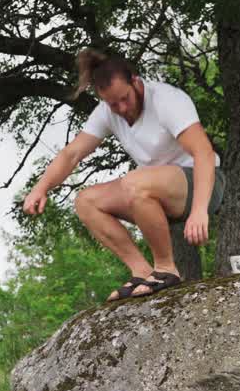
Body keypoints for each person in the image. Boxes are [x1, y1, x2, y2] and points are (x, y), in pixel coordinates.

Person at [22, 49, 226, 302]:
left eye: (124, 98)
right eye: (112, 103)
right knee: (86, 201)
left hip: (202, 183)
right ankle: (141, 271)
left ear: (135, 81)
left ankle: (165, 268)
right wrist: (40, 189)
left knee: (134, 182)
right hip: (151, 192)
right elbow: (72, 154)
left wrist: (199, 211)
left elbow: (204, 153)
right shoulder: (108, 111)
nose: (121, 108)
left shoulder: (167, 101)